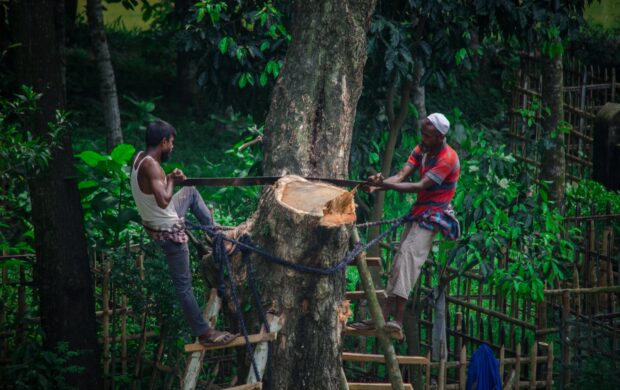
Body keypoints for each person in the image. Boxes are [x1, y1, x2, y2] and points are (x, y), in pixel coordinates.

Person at [130, 119, 238, 346]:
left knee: (189, 190)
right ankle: (204, 333)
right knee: (183, 286)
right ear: (163, 141)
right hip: (169, 232)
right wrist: (169, 179)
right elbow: (162, 200)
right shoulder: (151, 166)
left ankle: (216, 237)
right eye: (171, 142)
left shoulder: (139, 158)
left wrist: (169, 179)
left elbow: (155, 193)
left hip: (157, 223)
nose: (172, 147)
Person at [353, 113, 461, 332]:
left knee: (408, 260)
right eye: (423, 133)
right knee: (399, 261)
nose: (423, 138)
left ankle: (398, 321)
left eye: (428, 136)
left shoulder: (447, 158)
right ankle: (383, 317)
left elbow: (420, 186)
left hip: (434, 216)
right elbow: (401, 175)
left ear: (440, 137)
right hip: (419, 212)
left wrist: (383, 186)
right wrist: (377, 185)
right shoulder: (422, 150)